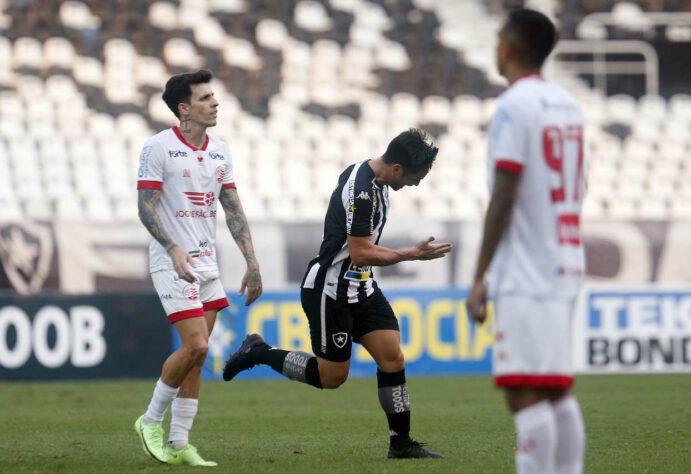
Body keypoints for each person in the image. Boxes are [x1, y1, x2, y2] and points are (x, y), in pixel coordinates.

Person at [223, 129, 452, 459]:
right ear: (397, 168)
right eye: (414, 178)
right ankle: (259, 351)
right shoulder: (361, 192)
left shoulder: (374, 179)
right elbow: (360, 253)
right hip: (330, 290)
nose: (414, 185)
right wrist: (409, 255)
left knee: (392, 356)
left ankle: (400, 443)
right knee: (331, 378)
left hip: (362, 287)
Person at [466, 9, 586, 474]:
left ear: (509, 48)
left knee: (526, 392)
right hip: (564, 259)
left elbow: (505, 193)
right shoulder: (566, 103)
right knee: (555, 389)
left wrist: (480, 274)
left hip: (528, 270)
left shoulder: (515, 106)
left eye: (498, 39)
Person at [134, 69, 263, 466]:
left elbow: (233, 208)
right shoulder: (157, 148)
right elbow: (145, 206)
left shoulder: (221, 150)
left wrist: (252, 261)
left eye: (214, 97)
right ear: (184, 109)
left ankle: (178, 442)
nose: (215, 103)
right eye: (206, 98)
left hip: (207, 262)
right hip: (173, 261)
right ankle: (149, 421)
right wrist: (172, 247)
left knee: (197, 358)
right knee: (197, 345)